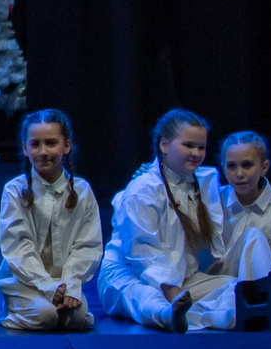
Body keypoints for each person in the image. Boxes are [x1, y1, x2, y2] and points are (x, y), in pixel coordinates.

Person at [102, 109, 257, 331]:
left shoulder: (203, 182)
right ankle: (170, 314)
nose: (196, 153)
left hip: (181, 279)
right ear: (164, 145)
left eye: (201, 147)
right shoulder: (143, 190)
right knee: (144, 297)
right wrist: (174, 295)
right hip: (130, 274)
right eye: (188, 146)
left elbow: (238, 198)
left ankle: (211, 318)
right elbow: (142, 253)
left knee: (233, 287)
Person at [0, 109, 99, 332]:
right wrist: (47, 285)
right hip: (27, 282)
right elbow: (17, 247)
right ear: (25, 148)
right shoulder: (15, 191)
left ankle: (53, 306)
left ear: (66, 145)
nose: (43, 152)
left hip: (64, 282)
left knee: (78, 319)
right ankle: (10, 312)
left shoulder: (82, 191)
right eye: (35, 144)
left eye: (51, 143)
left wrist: (70, 285)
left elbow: (88, 245)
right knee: (47, 316)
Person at [211, 131, 271, 280]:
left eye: (247, 165)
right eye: (231, 166)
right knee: (253, 236)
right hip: (223, 278)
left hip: (270, 278)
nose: (239, 173)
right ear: (224, 169)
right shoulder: (215, 200)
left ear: (264, 167)